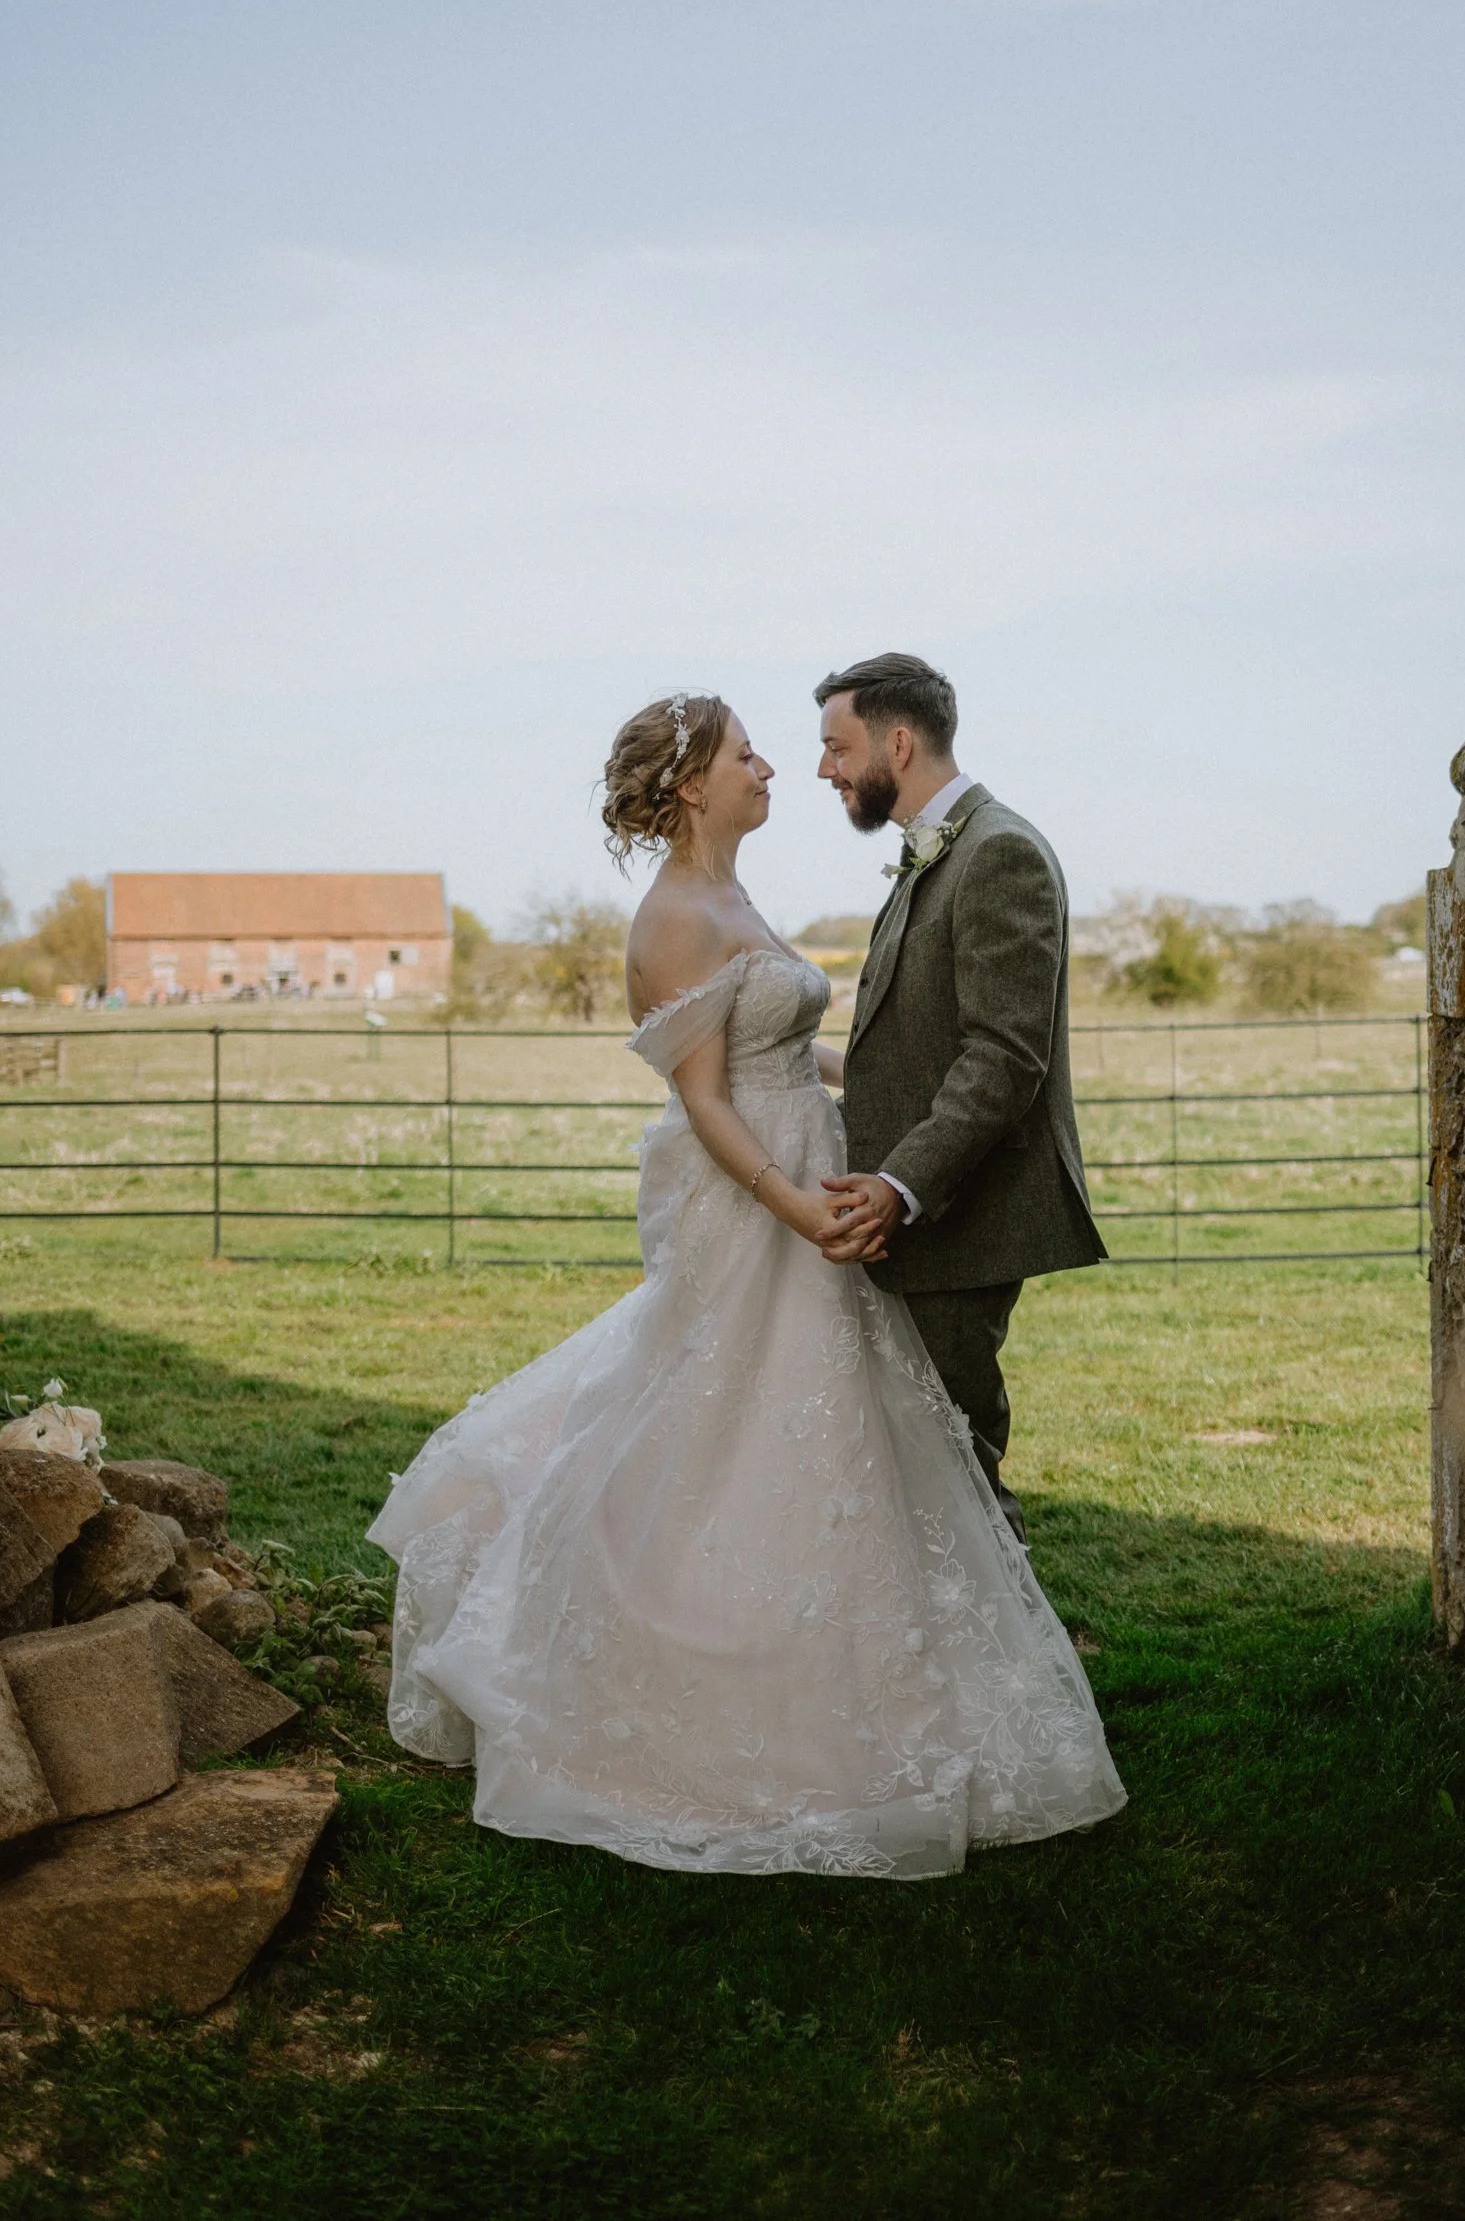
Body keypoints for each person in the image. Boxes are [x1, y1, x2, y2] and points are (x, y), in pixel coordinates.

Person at [369, 692, 1123, 1879]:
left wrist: (874, 1088)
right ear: (689, 784)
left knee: (850, 1434)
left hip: (817, 1169)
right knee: (719, 1419)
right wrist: (789, 1199)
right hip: (765, 1195)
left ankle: (878, 1670)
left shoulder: (735, 893)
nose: (774, 766)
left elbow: (784, 1046)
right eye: (746, 753)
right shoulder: (672, 913)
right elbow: (706, 1097)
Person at [814, 653, 1105, 1543]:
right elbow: (931, 1035)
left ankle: (1013, 1676)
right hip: (929, 1217)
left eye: (837, 745)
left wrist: (899, 1186)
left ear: (897, 743)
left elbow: (1003, 1058)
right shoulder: (940, 846)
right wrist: (807, 1061)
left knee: (956, 1465)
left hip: (963, 1219)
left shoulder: (998, 851)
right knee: (924, 1459)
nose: (825, 767)